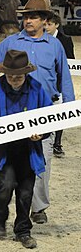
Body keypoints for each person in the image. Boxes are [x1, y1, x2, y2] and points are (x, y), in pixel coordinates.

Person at [0, 0, 75, 224]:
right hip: (14, 109)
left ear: (44, 20)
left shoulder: (55, 46)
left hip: (44, 109)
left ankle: (38, 207)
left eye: (33, 17)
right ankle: (15, 205)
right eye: (26, 17)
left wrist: (68, 108)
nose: (28, 21)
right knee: (13, 159)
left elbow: (64, 78)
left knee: (43, 161)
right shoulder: (11, 43)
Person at [0, 50, 52, 249]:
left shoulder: (38, 89)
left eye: (19, 77)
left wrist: (42, 133)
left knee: (25, 193)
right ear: (4, 74)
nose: (14, 80)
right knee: (5, 187)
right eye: (10, 77)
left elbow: (49, 118)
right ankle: (0, 219)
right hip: (4, 152)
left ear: (27, 74)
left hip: (29, 152)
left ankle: (23, 231)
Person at [45, 11, 75, 158]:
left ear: (56, 25)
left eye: (49, 24)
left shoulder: (66, 40)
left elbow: (70, 61)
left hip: (59, 83)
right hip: (44, 82)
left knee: (59, 113)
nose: (46, 27)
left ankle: (57, 143)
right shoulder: (39, 39)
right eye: (45, 24)